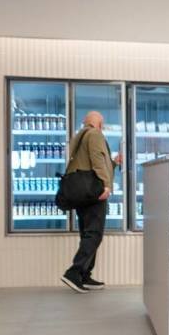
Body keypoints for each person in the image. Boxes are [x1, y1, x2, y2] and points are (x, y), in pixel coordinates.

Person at [60, 111, 122, 293]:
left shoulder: (80, 136)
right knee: (94, 234)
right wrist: (106, 185)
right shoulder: (95, 134)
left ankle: (84, 275)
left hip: (81, 191)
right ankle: (74, 272)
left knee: (87, 233)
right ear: (100, 124)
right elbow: (97, 161)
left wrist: (114, 163)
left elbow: (89, 163)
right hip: (94, 191)